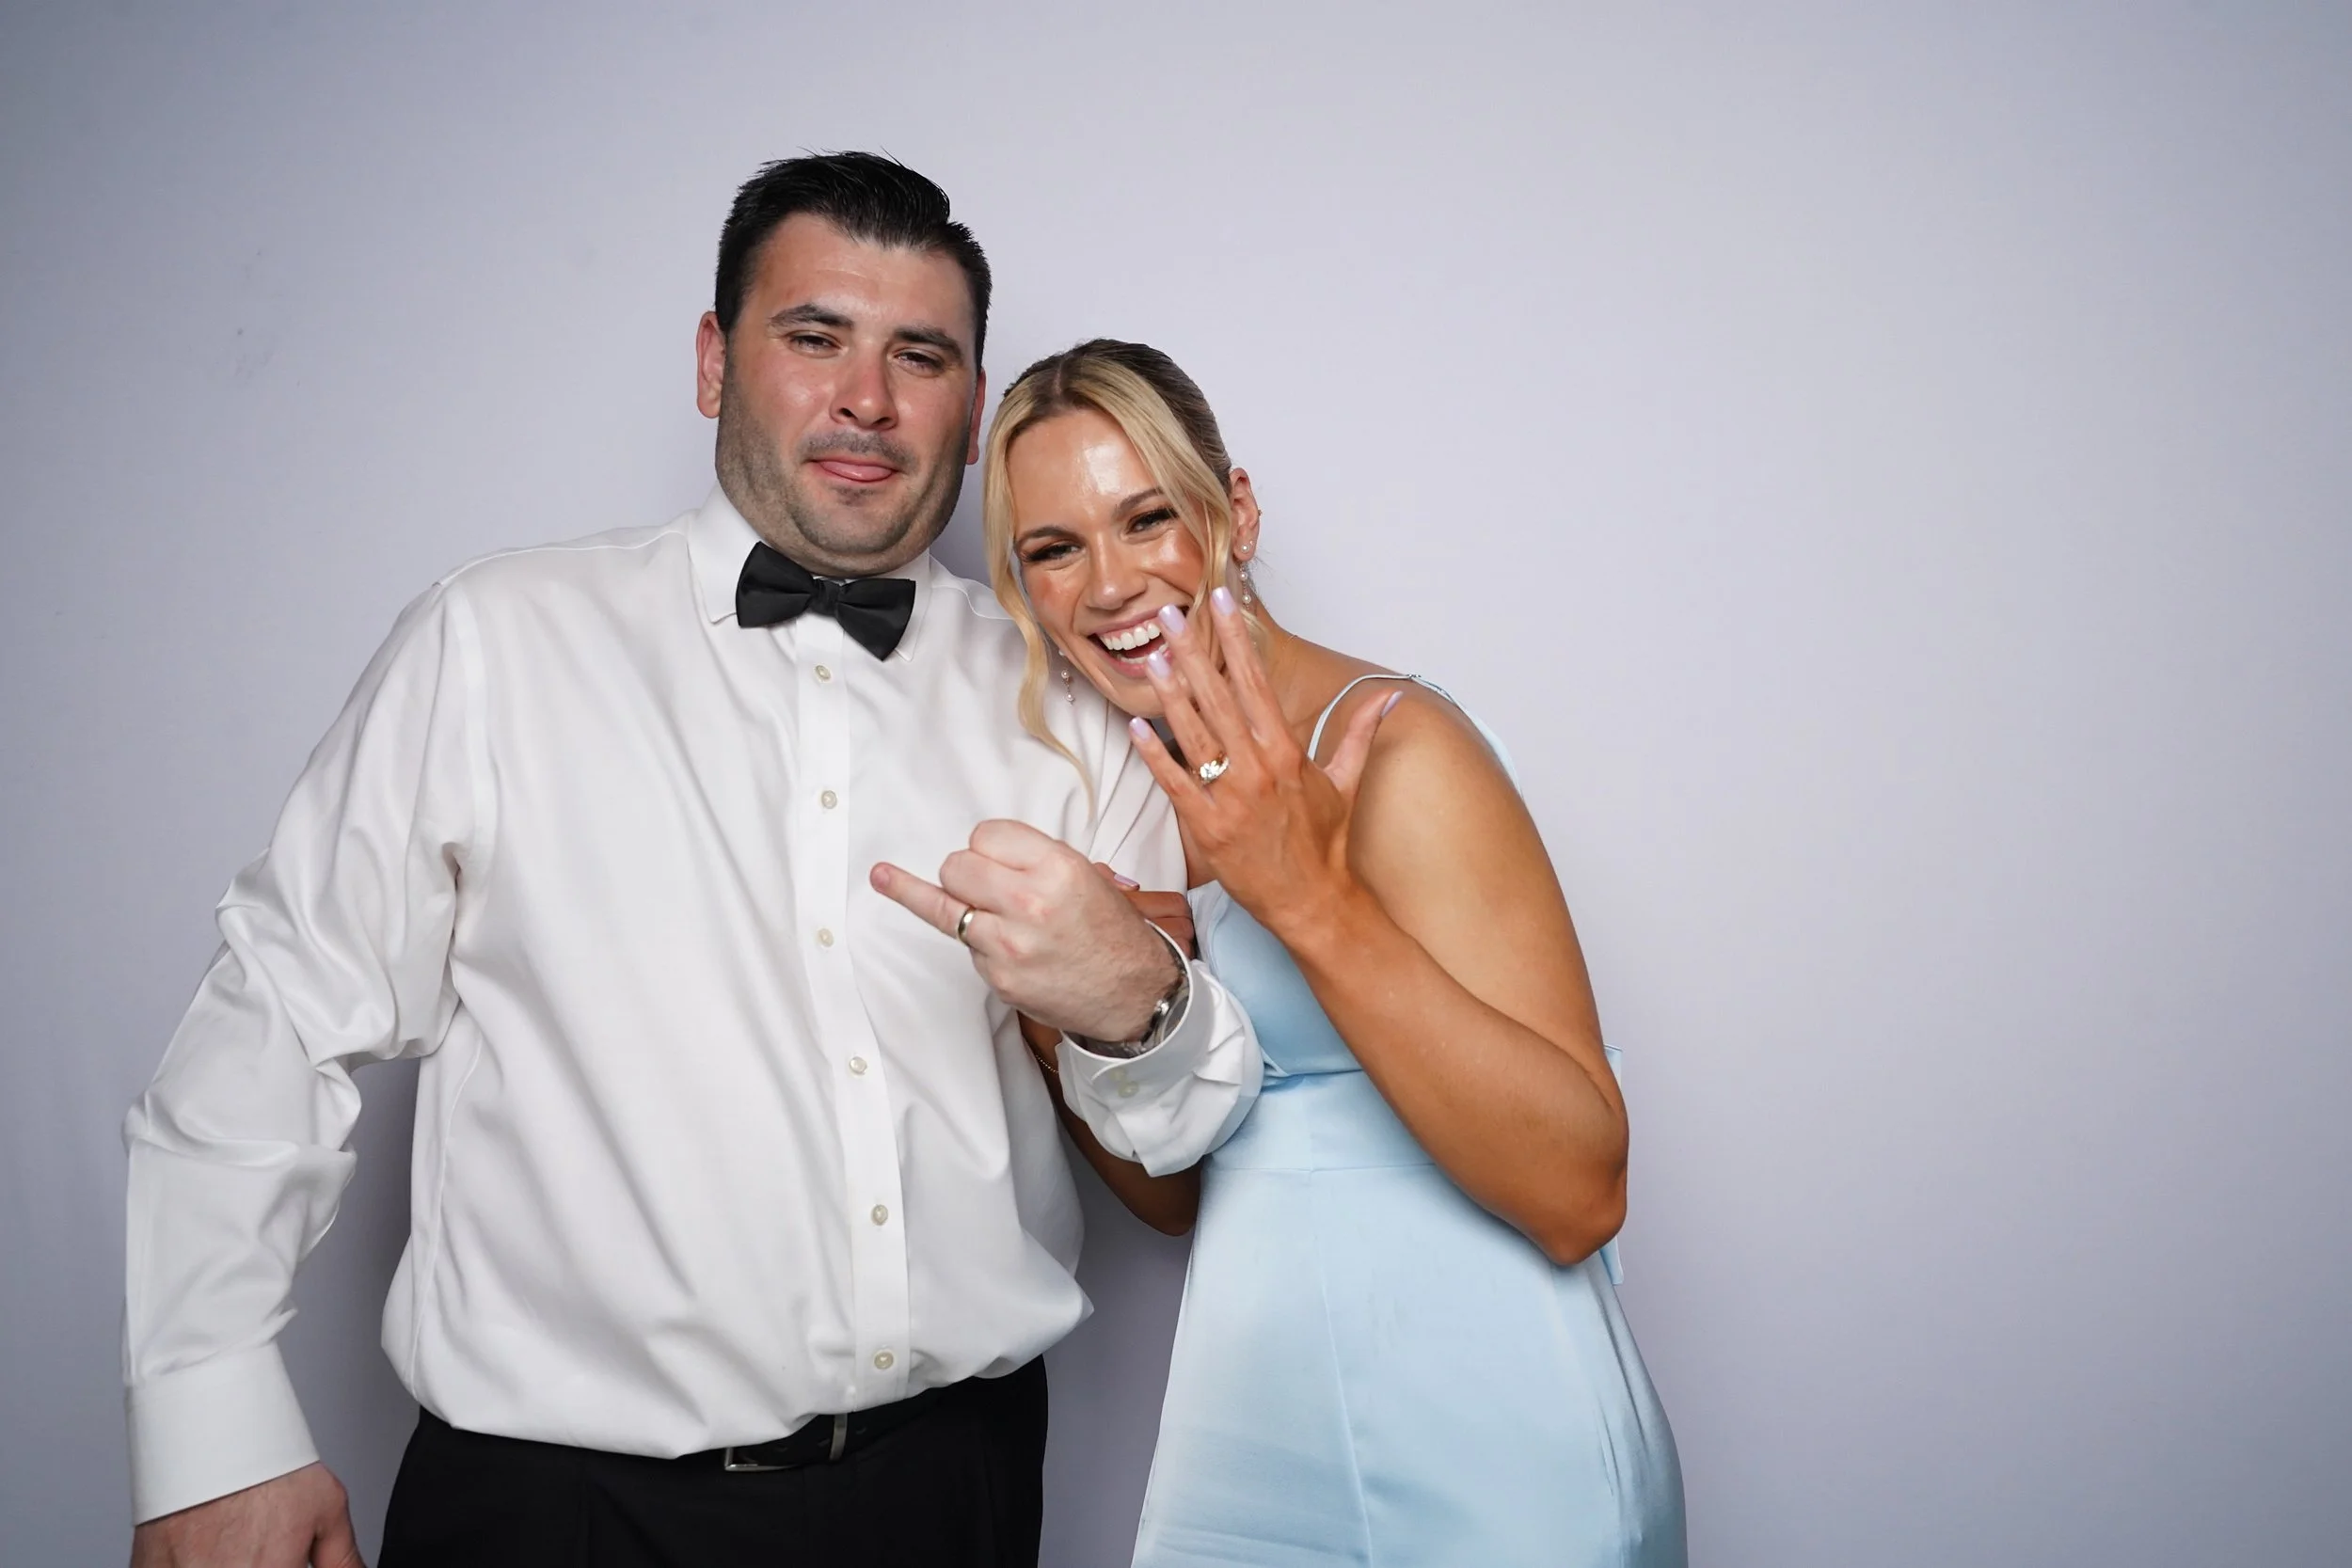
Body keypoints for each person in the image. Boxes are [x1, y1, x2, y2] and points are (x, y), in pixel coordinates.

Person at [120, 158, 1262, 1568]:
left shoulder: (1064, 700)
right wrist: (208, 1427)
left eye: (922, 356)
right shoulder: (495, 643)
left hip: (952, 1495)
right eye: (814, 337)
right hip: (559, 1514)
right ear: (716, 362)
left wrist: (1139, 1003)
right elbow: (279, 1016)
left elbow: (1179, 1139)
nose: (867, 398)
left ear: (970, 411)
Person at [930, 339, 1688, 1566]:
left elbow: (1579, 1190)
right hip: (1257, 1430)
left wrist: (1310, 900)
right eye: (1054, 548)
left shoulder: (1398, 748)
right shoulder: (1122, 798)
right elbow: (1180, 1198)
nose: (1112, 584)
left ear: (1235, 511)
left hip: (1489, 1432)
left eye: (1148, 519)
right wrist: (1072, 1006)